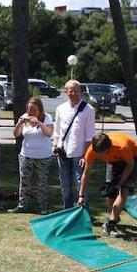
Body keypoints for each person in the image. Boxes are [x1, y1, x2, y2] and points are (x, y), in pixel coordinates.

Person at [77, 131, 137, 236]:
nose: (99, 156)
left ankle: (110, 224)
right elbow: (86, 173)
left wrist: (120, 182)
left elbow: (130, 165)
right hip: (113, 160)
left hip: (132, 157)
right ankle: (114, 217)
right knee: (110, 191)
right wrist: (81, 195)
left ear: (109, 148)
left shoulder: (122, 147)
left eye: (101, 153)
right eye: (97, 153)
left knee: (123, 190)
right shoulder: (92, 150)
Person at [53, 79, 96, 209]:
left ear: (80, 92)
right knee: (65, 185)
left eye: (76, 91)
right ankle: (67, 211)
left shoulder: (88, 110)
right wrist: (55, 146)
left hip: (79, 154)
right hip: (63, 152)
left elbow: (89, 137)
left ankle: (84, 213)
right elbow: (57, 132)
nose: (73, 93)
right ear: (66, 92)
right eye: (70, 91)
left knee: (79, 185)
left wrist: (85, 156)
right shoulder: (60, 108)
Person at [9, 96, 54, 213]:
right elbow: (16, 134)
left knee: (41, 183)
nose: (31, 112)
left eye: (34, 110)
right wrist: (19, 123)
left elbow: (49, 133)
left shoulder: (47, 118)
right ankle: (22, 205)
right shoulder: (24, 117)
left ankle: (42, 207)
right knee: (24, 181)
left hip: (43, 156)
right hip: (26, 155)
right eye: (30, 110)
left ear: (40, 109)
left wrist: (39, 122)